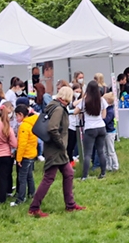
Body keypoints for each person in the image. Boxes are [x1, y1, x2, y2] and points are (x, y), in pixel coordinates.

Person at [29, 86, 86, 217]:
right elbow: (52, 128)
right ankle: (34, 207)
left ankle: (70, 205)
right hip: (56, 149)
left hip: (58, 149)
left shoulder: (54, 105)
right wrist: (61, 143)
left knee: (69, 173)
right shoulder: (59, 109)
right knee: (49, 178)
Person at [77, 80, 107, 180]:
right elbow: (104, 115)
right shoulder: (102, 100)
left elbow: (76, 111)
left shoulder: (84, 101)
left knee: (87, 153)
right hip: (101, 127)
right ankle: (103, 173)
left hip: (90, 128)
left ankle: (85, 176)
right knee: (101, 151)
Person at [11, 105, 38, 206]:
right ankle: (32, 193)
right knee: (29, 176)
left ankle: (20, 199)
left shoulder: (24, 126)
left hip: (25, 155)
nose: (16, 118)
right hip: (32, 154)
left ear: (21, 115)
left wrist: (18, 158)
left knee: (22, 178)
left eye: (16, 116)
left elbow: (22, 144)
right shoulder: (32, 123)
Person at [102, 92, 120, 171]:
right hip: (106, 131)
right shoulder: (107, 110)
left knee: (111, 150)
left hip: (110, 132)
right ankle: (108, 166)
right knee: (105, 150)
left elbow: (106, 121)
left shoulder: (110, 111)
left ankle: (115, 166)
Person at [66, 83, 82, 163]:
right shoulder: (69, 100)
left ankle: (71, 161)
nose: (78, 93)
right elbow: (70, 107)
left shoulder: (79, 99)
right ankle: (69, 162)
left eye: (79, 91)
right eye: (76, 91)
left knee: (74, 145)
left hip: (77, 125)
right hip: (70, 125)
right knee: (69, 145)